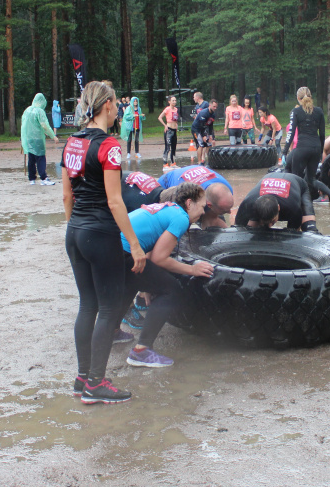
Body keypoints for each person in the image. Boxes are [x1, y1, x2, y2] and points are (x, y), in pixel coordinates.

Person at [61, 81, 146, 405]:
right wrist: (135, 245)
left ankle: (83, 377)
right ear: (108, 104)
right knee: (110, 308)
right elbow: (115, 201)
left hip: (75, 232)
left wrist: (77, 227)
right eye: (115, 105)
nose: (117, 110)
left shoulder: (73, 141)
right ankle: (96, 383)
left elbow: (67, 194)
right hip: (99, 232)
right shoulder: (109, 145)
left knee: (88, 305)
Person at [119, 182, 214, 368]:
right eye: (202, 206)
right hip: (122, 252)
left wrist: (146, 285)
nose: (203, 212)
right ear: (189, 203)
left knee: (134, 280)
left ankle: (114, 332)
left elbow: (148, 251)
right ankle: (141, 350)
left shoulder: (167, 208)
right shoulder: (180, 217)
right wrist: (193, 270)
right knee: (171, 290)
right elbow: (159, 259)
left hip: (110, 247)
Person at [282, 87, 330, 204]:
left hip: (302, 148)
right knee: (311, 179)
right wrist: (321, 150)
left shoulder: (295, 112)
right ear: (310, 96)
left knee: (295, 178)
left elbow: (291, 133)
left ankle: (297, 204)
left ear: (298, 98)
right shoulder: (319, 111)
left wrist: (284, 152)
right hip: (316, 148)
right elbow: (322, 134)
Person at [234, 172, 328, 231]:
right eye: (266, 222)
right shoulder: (248, 204)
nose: (271, 225)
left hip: (298, 184)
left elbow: (294, 235)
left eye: (272, 221)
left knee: (309, 228)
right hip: (269, 178)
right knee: (251, 229)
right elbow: (238, 229)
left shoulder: (293, 207)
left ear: (279, 208)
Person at [158, 165, 235, 228]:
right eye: (224, 211)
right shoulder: (188, 197)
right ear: (209, 205)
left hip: (194, 173)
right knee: (182, 222)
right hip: (166, 183)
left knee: (211, 219)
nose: (229, 212)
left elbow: (212, 219)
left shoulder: (227, 188)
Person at [20, 92, 59, 185]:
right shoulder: (39, 111)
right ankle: (43, 178)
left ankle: (32, 179)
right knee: (40, 158)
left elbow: (23, 125)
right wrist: (53, 135)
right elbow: (44, 125)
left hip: (28, 138)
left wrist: (23, 138)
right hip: (37, 139)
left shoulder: (27, 110)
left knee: (31, 159)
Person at [190, 98, 217, 165]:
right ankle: (200, 162)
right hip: (196, 129)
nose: (215, 108)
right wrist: (204, 136)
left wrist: (211, 135)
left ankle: (209, 161)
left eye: (216, 107)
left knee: (209, 144)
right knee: (201, 144)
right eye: (214, 106)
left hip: (204, 129)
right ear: (210, 105)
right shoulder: (204, 113)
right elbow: (202, 125)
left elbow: (210, 125)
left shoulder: (213, 114)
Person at [158, 95, 180, 169]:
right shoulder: (167, 109)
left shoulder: (176, 109)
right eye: (173, 100)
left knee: (174, 147)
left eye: (175, 100)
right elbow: (160, 117)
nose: (174, 102)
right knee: (167, 147)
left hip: (174, 130)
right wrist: (165, 125)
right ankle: (165, 163)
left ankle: (173, 163)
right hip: (169, 130)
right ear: (169, 102)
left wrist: (176, 124)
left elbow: (175, 119)